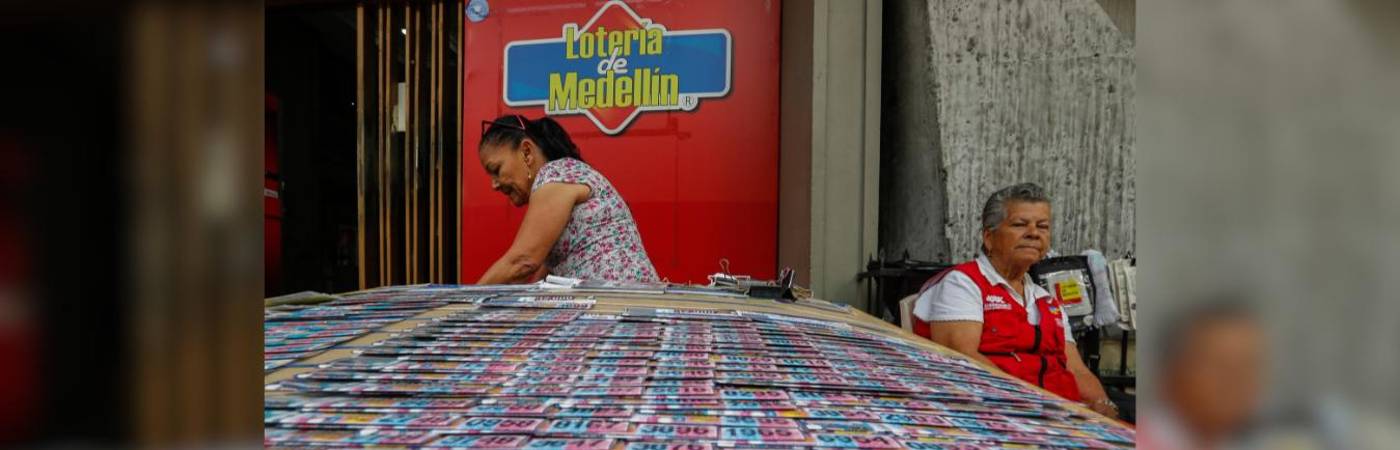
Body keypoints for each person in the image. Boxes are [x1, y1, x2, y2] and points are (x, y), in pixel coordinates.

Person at [912, 182, 1117, 417]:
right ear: (989, 237)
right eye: (1020, 225)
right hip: (1003, 416)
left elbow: (1077, 370)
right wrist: (1037, 407)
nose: (1033, 233)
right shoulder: (963, 283)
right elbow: (962, 361)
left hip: (1064, 416)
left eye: (1043, 226)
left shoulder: (1046, 300)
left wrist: (1105, 407)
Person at [474, 114, 659, 284]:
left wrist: (467, 301)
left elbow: (523, 261)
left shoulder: (555, 174)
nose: (494, 185)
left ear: (527, 152)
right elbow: (540, 279)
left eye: (496, 170)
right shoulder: (562, 177)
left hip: (619, 301)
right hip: (621, 301)